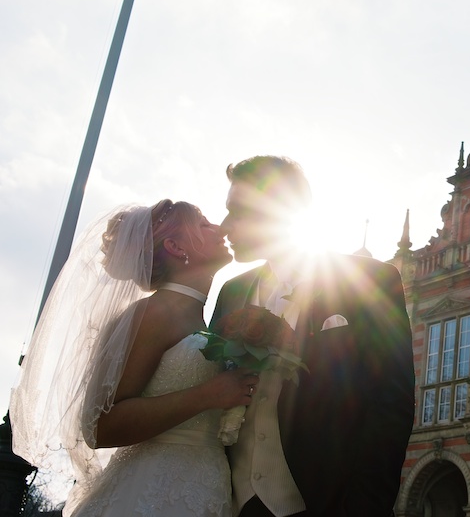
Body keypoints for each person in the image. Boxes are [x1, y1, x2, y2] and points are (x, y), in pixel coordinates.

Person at [10, 200, 260, 517]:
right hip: (151, 490)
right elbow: (101, 427)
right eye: (204, 224)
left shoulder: (201, 317)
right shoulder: (151, 314)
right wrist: (208, 395)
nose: (220, 228)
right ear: (175, 245)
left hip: (206, 485)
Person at [212, 155, 415, 517]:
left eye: (236, 211)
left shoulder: (370, 280)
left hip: (320, 502)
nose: (224, 226)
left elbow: (389, 406)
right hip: (230, 501)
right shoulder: (231, 291)